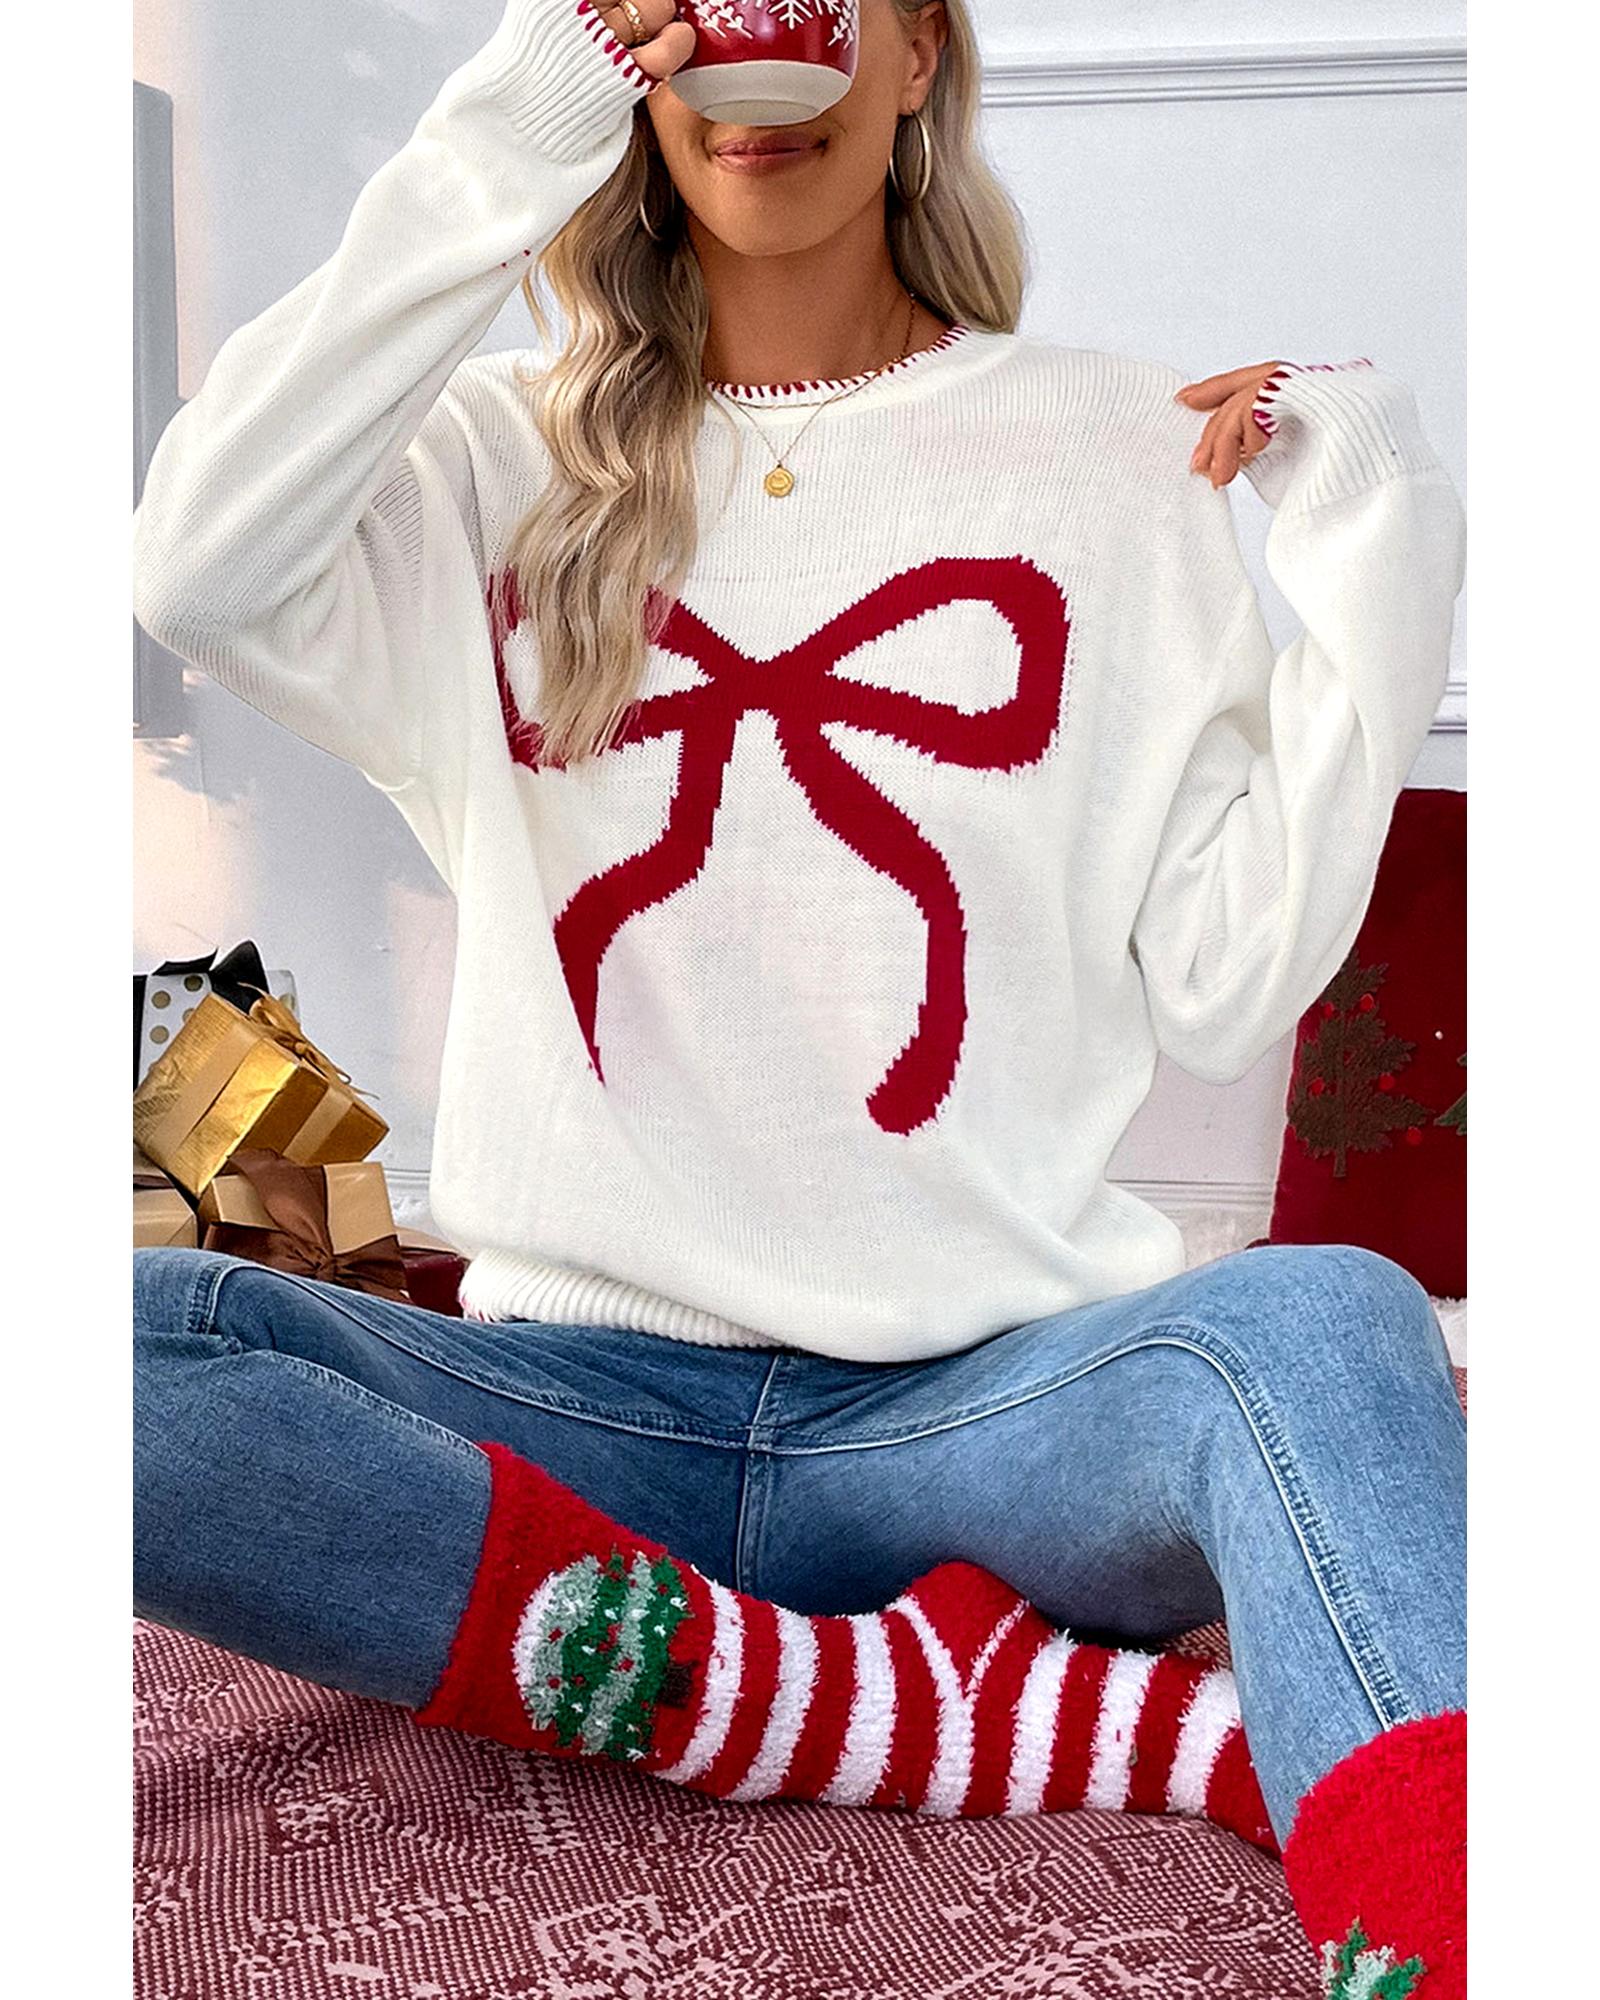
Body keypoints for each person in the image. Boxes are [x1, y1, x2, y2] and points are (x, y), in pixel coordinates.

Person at [131, 3, 1467, 1992]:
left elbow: (1225, 978)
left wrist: (1375, 539)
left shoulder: (1114, 458)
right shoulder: (491, 459)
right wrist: (524, 118)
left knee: (1332, 1327)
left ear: (914, 53)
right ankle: (894, 1712)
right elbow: (196, 573)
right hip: (579, 1413)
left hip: (978, 1422)